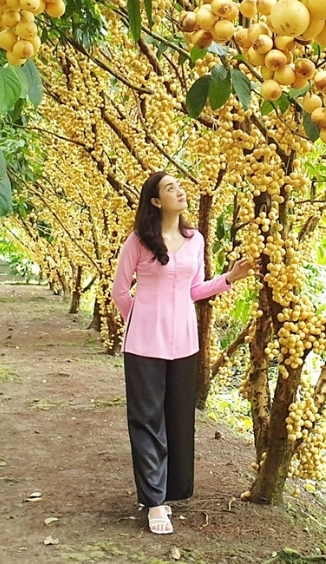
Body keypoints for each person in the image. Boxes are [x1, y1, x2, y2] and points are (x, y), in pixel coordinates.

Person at [111, 171, 255, 535]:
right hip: (144, 341)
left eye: (180, 186)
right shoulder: (139, 241)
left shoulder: (195, 240)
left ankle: (170, 489)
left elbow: (194, 290)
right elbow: (120, 292)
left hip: (184, 342)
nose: (180, 191)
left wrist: (230, 278)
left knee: (177, 417)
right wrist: (139, 320)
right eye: (170, 188)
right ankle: (154, 502)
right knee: (146, 420)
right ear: (156, 201)